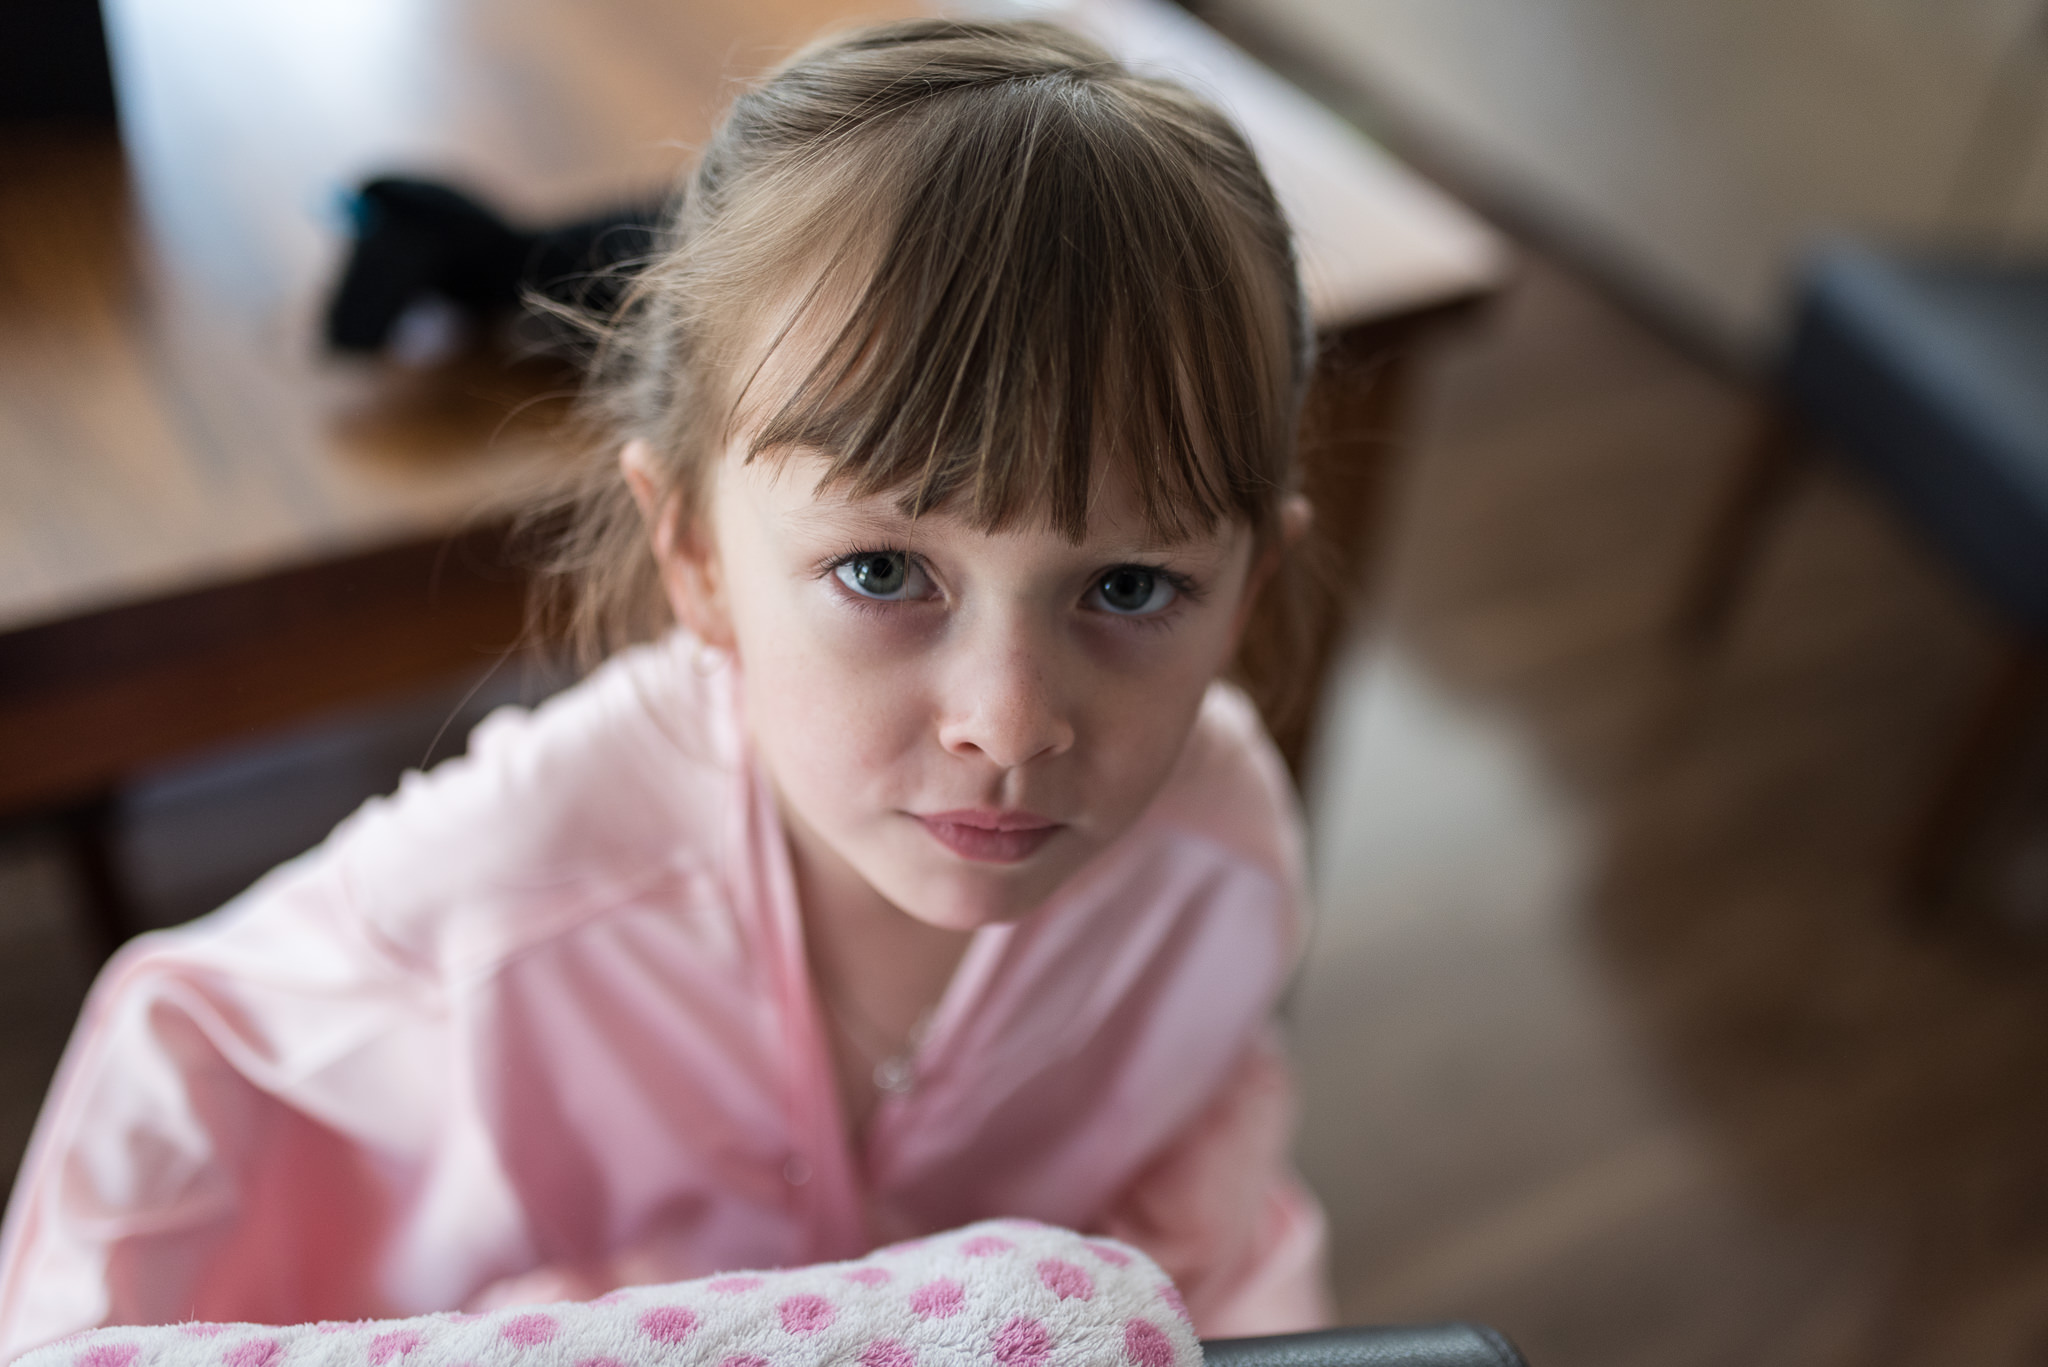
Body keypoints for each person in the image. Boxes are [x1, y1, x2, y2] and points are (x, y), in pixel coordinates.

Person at [0, 18, 1331, 1357]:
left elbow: (1205, 1216)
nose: (1008, 720)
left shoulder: (1216, 860)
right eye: (881, 572)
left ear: (1248, 588)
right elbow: (187, 1058)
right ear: (691, 547)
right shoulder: (523, 881)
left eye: (1131, 589)